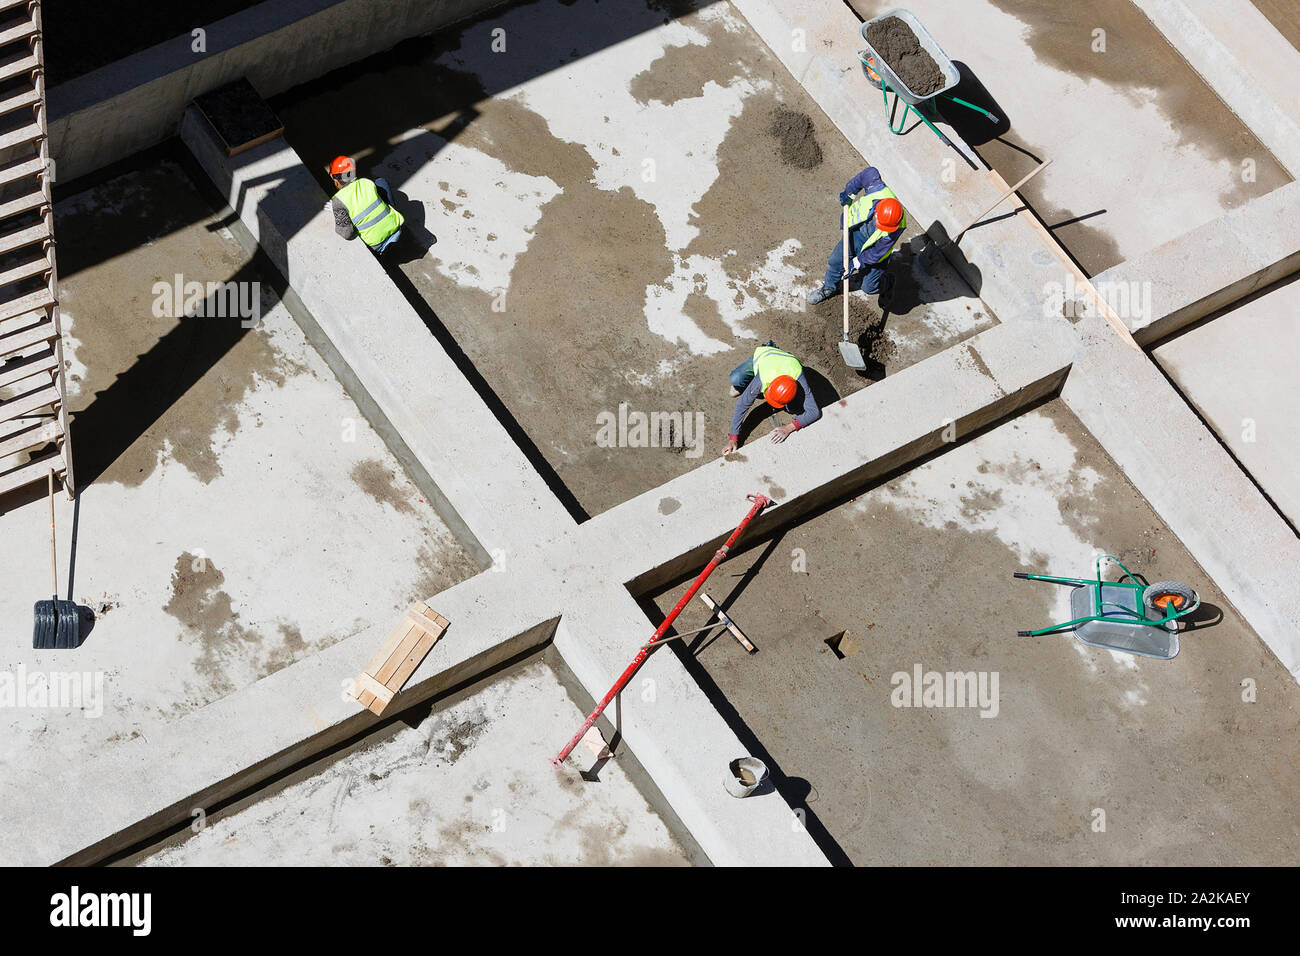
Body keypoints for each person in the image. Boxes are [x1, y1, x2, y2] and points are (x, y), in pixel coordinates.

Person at [807, 165, 905, 306]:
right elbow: (869, 172)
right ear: (877, 210)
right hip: (856, 233)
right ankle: (828, 288)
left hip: (873, 248)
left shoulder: (896, 227)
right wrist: (849, 193)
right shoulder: (876, 188)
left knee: (869, 287)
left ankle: (887, 282)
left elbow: (877, 253)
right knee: (835, 262)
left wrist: (856, 262)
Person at [721, 342, 822, 453]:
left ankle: (787, 403)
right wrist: (733, 439)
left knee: (795, 409)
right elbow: (742, 404)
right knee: (736, 379)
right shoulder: (763, 377)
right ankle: (743, 384)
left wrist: (788, 428)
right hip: (765, 354)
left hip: (785, 362)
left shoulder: (797, 373)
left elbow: (814, 412)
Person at [325, 155, 404, 254]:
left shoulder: (338, 201)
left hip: (377, 245)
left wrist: (337, 212)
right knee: (381, 182)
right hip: (396, 227)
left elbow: (347, 234)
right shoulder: (366, 182)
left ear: (336, 182)